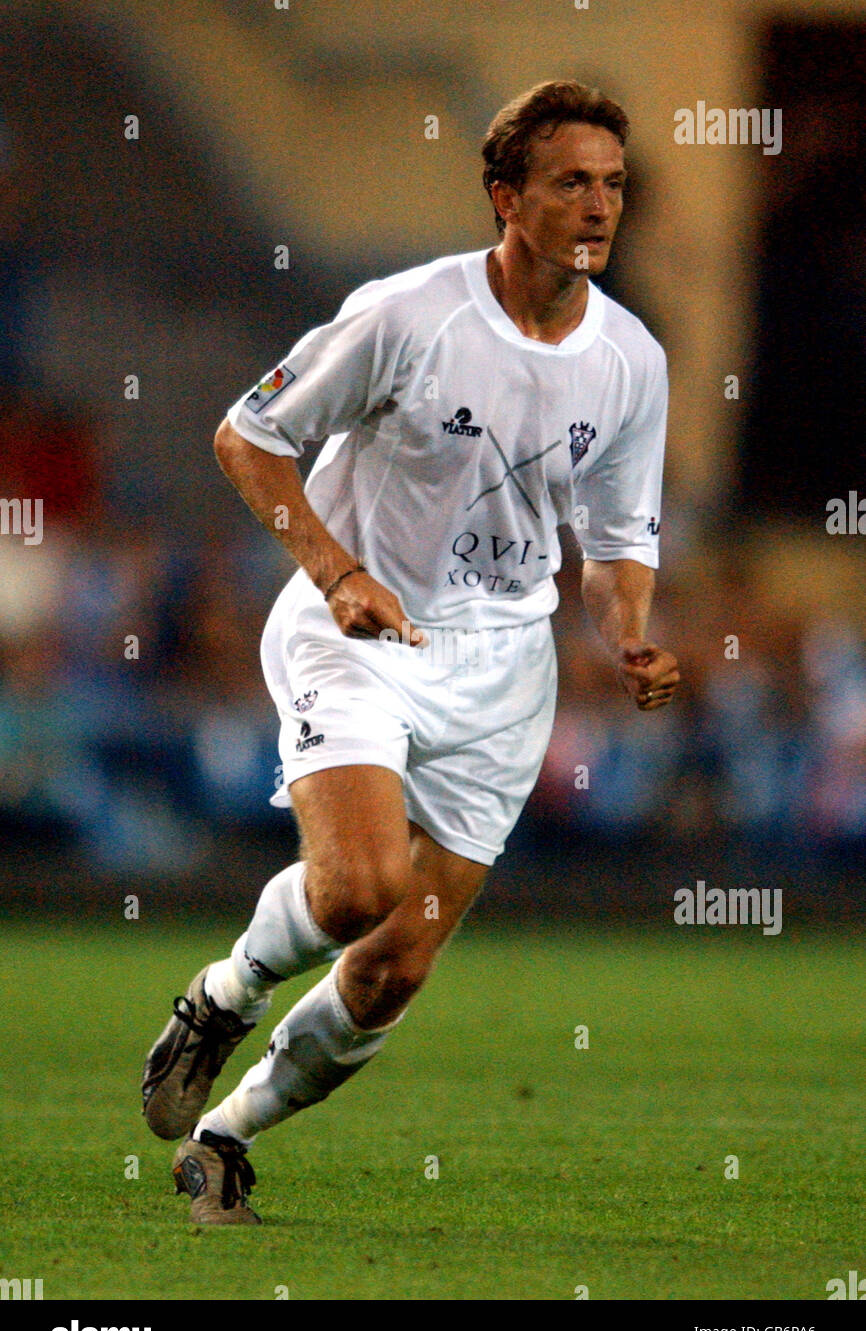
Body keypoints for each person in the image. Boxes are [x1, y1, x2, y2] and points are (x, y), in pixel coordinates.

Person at [141, 79, 680, 1224]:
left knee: (395, 965)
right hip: (361, 635)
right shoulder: (406, 313)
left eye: (613, 185)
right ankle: (221, 995)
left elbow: (619, 539)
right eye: (570, 182)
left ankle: (225, 1135)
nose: (598, 206)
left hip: (502, 672)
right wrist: (336, 573)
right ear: (504, 198)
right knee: (357, 889)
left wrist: (628, 634)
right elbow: (248, 434)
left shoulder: (631, 359)